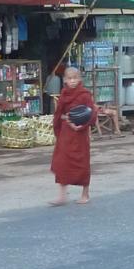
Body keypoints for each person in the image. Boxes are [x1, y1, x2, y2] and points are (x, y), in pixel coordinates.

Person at [50, 67, 97, 205]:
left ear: (80, 79)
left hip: (79, 133)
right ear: (64, 80)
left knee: (81, 163)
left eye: (75, 78)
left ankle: (85, 193)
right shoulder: (64, 93)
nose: (72, 81)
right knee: (61, 162)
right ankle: (62, 195)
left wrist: (80, 125)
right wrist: (65, 121)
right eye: (69, 78)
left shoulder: (84, 94)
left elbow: (91, 113)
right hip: (66, 132)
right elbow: (59, 114)